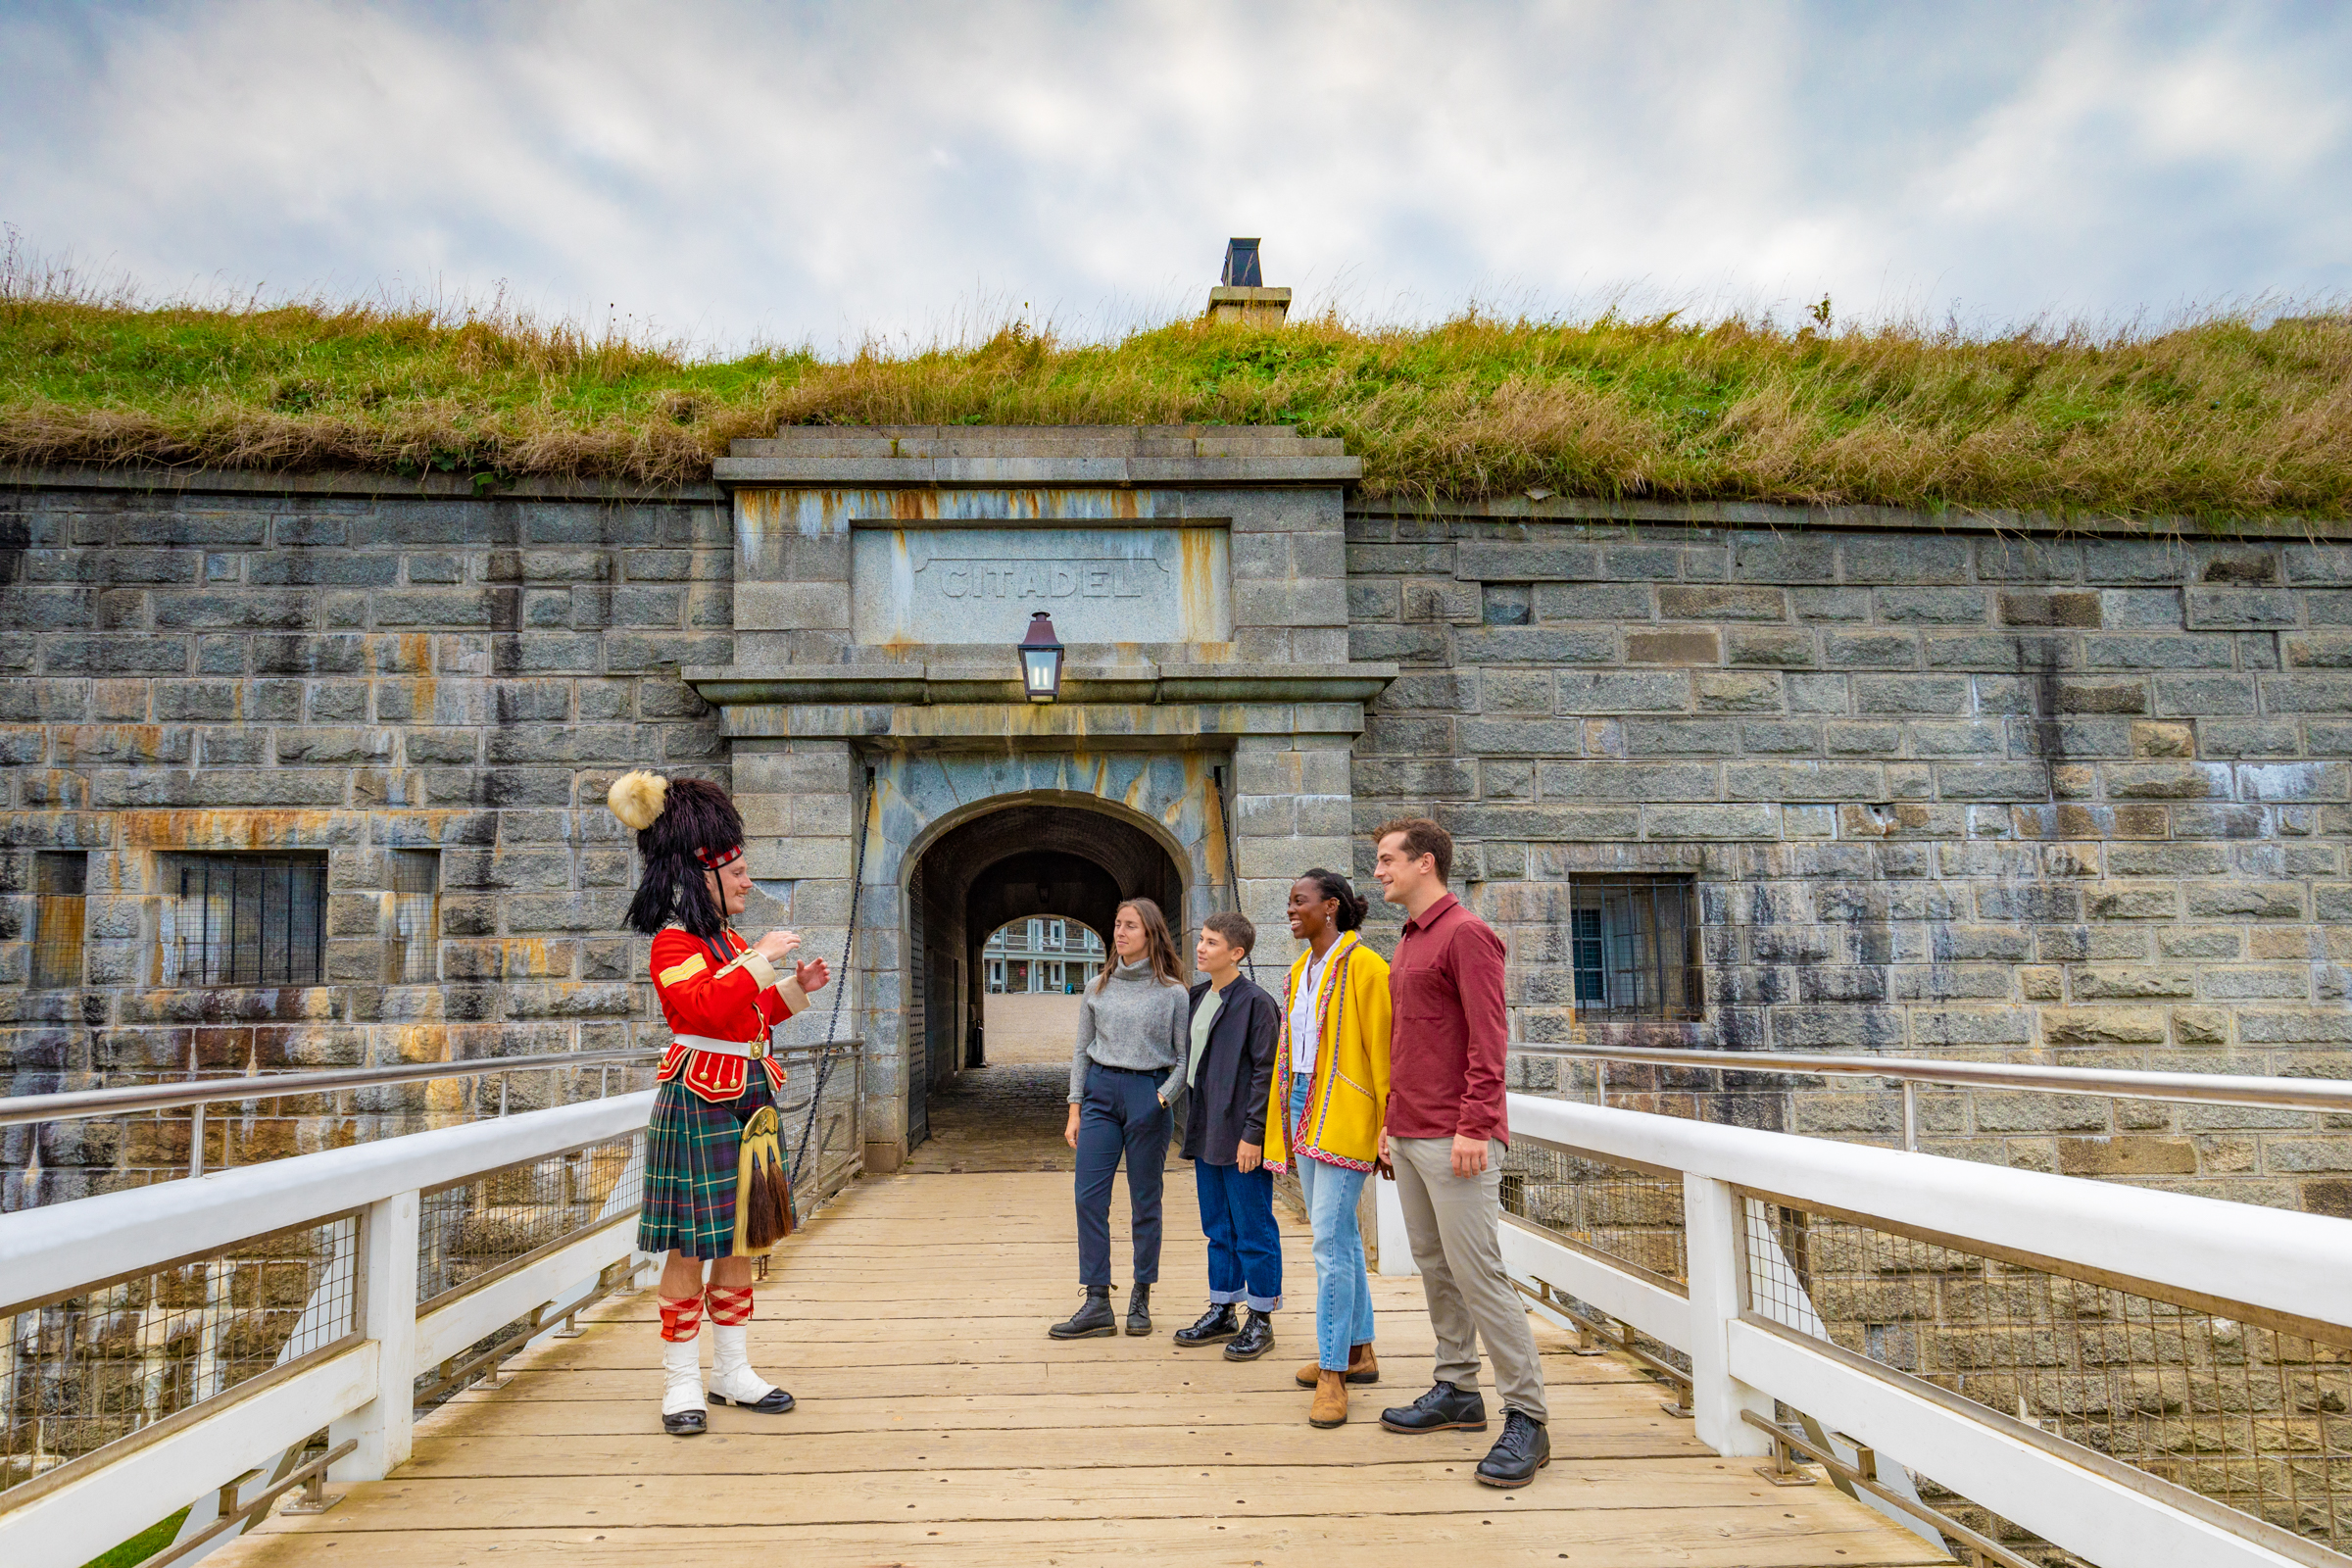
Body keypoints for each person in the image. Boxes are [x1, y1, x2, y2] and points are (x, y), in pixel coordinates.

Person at [608, 769, 830, 1439]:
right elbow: (701, 1006)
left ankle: (731, 1370)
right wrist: (761, 958)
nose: (745, 883)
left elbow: (750, 1014)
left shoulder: (728, 945)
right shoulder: (673, 943)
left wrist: (795, 987)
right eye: (734, 872)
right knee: (687, 1247)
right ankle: (681, 1382)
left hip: (748, 1100)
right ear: (697, 875)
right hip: (698, 1102)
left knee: (742, 1240)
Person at [1371, 817, 1549, 1488]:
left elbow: (1488, 1038)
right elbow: (1408, 1045)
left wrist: (1476, 1125)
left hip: (1456, 1137)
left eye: (1389, 860)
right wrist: (1391, 1120)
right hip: (1412, 1132)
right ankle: (1458, 1389)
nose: (1380, 871)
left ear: (1425, 863)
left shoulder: (1467, 934)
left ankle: (1528, 1416)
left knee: (1480, 1274)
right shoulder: (1409, 941)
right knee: (1435, 1266)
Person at [1264, 869, 1391, 1430]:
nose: (1291, 910)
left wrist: (1388, 1122)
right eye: (1290, 902)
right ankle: (1360, 1351)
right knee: (1336, 1237)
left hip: (1345, 1107)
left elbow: (1386, 1048)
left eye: (1300, 901)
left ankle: (1334, 1373)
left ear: (1331, 907)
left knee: (1326, 1246)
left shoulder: (1366, 966)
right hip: (1300, 1102)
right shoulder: (1299, 971)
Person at [1052, 898, 1190, 1340]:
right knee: (1088, 1198)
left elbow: (1185, 1059)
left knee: (1145, 1201)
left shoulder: (1172, 993)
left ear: (1150, 933)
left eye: (1130, 926)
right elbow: (1080, 1051)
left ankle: (1141, 1295)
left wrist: (1163, 1099)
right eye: (1117, 924)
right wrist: (1075, 1108)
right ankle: (1096, 1301)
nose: (1120, 932)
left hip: (1148, 1095)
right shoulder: (1096, 988)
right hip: (1100, 1095)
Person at [1171, 911, 1284, 1360]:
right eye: (1201, 939)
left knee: (1252, 1226)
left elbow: (1266, 1072)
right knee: (1217, 1226)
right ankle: (1223, 1308)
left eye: (1212, 942)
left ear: (1236, 953)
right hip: (1206, 1127)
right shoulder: (1198, 996)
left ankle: (1261, 1317)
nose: (1201, 948)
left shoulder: (1257, 1003)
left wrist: (1253, 1134)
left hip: (1241, 1131)